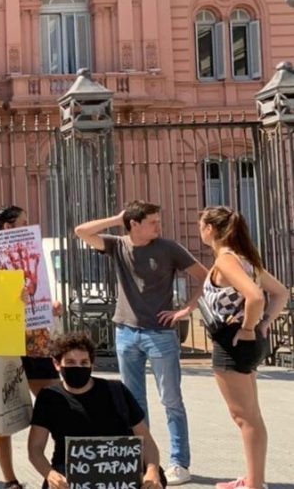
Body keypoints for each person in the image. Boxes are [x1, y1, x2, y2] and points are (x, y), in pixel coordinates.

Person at [75, 200, 208, 485]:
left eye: (158, 221)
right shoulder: (117, 244)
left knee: (171, 400)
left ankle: (179, 463)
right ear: (134, 224)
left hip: (160, 333)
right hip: (125, 331)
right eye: (152, 222)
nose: (159, 226)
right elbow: (81, 231)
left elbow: (205, 278)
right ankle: (144, 462)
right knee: (134, 403)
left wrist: (185, 309)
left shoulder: (169, 248)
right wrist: (117, 218)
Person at [196, 207, 289, 489]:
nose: (200, 230)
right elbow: (281, 292)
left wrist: (250, 328)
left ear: (210, 229)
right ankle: (254, 479)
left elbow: (255, 296)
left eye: (201, 225)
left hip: (232, 343)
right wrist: (262, 325)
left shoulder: (226, 261)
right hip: (244, 342)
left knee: (244, 418)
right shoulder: (244, 259)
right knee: (251, 416)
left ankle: (255, 484)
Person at [0, 206, 63, 489]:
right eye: (24, 223)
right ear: (6, 227)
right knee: (3, 414)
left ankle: (60, 466)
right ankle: (10, 480)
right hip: (1, 345)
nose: (29, 226)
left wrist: (48, 307)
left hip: (35, 341)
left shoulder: (30, 253)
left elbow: (39, 290)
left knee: (56, 401)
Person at [27, 332, 165, 489]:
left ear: (92, 365)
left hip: (123, 472)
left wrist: (153, 472)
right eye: (70, 363)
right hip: (69, 474)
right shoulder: (49, 398)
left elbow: (146, 440)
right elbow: (35, 448)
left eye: (84, 362)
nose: (78, 367)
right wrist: (50, 474)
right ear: (57, 364)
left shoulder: (116, 391)